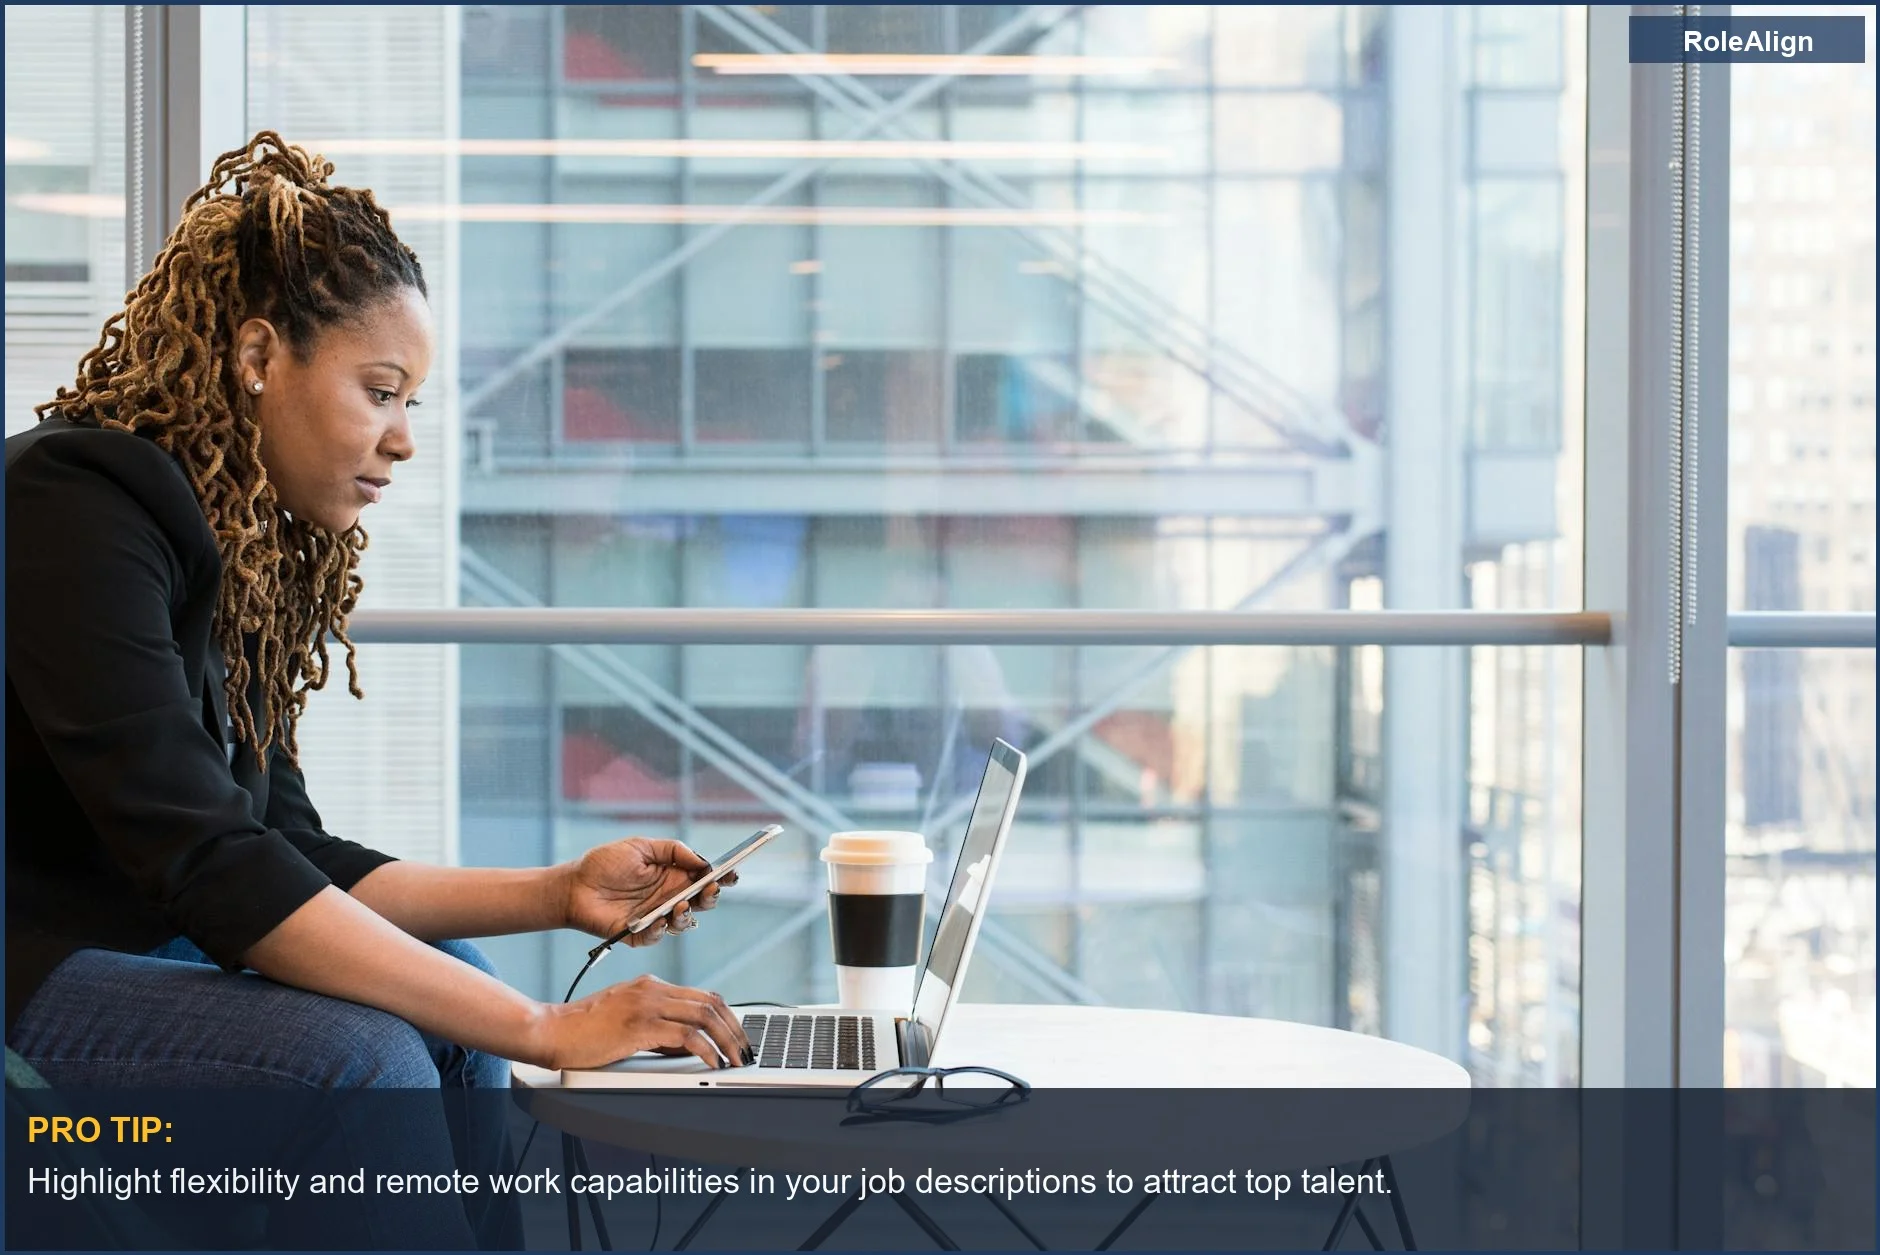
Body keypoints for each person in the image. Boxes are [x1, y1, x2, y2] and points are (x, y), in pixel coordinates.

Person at [5, 132, 750, 1248]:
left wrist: (558, 890)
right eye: (381, 390)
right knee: (359, 1059)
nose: (403, 440)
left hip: (124, 951)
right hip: (29, 975)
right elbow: (209, 865)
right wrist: (546, 1025)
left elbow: (285, 853)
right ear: (259, 356)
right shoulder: (74, 504)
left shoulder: (238, 549)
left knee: (446, 992)